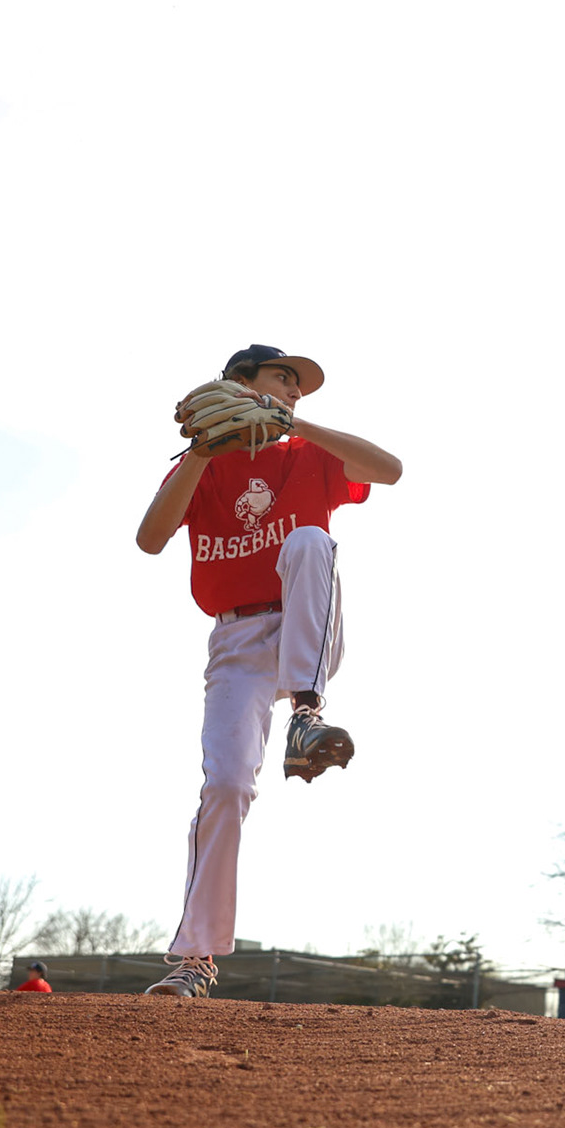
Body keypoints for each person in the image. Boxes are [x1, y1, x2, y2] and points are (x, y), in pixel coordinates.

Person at [135, 344, 403, 998]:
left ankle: (307, 715)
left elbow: (391, 470)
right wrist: (200, 450)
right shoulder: (205, 465)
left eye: (298, 387)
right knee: (225, 786)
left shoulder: (306, 453)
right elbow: (149, 538)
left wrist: (297, 425)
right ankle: (194, 961)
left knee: (312, 539)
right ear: (236, 384)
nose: (292, 391)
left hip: (303, 619)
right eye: (281, 378)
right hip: (236, 640)